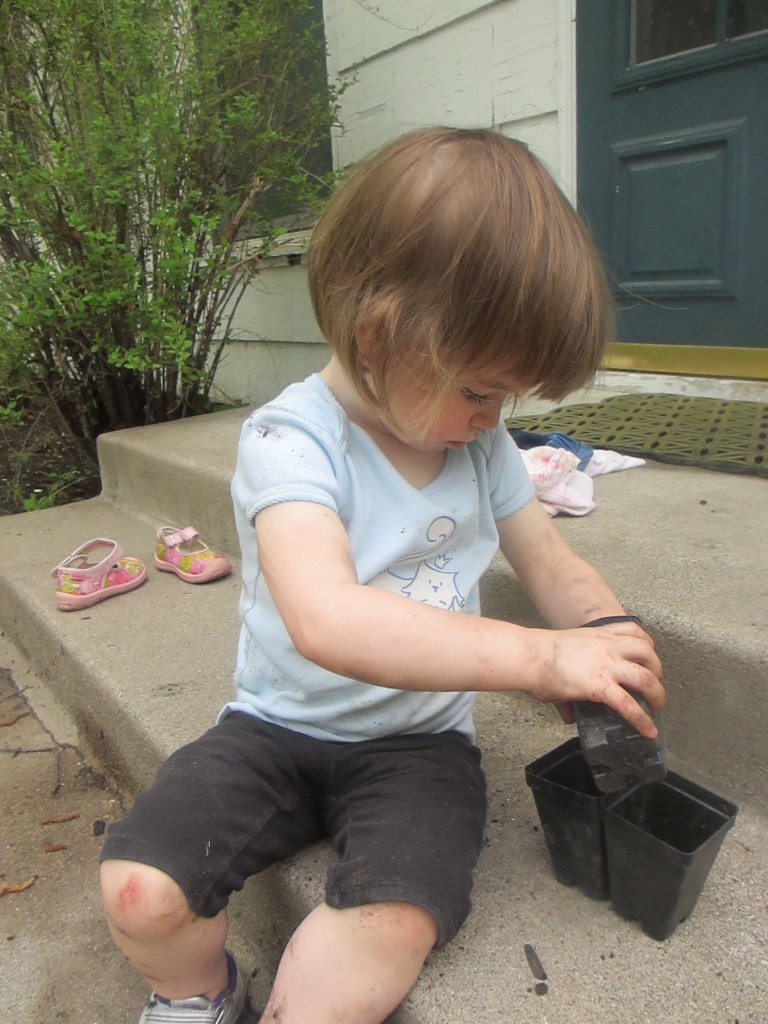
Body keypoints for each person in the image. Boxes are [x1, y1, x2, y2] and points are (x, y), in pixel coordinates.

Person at [100, 127, 665, 1024]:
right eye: (480, 391)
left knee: (394, 920)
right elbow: (328, 618)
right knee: (141, 890)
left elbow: (550, 561)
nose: (493, 420)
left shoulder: (480, 451)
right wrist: (541, 660)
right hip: (271, 731)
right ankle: (197, 994)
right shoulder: (291, 442)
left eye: (507, 402)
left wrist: (605, 643)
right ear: (380, 331)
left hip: (418, 748)